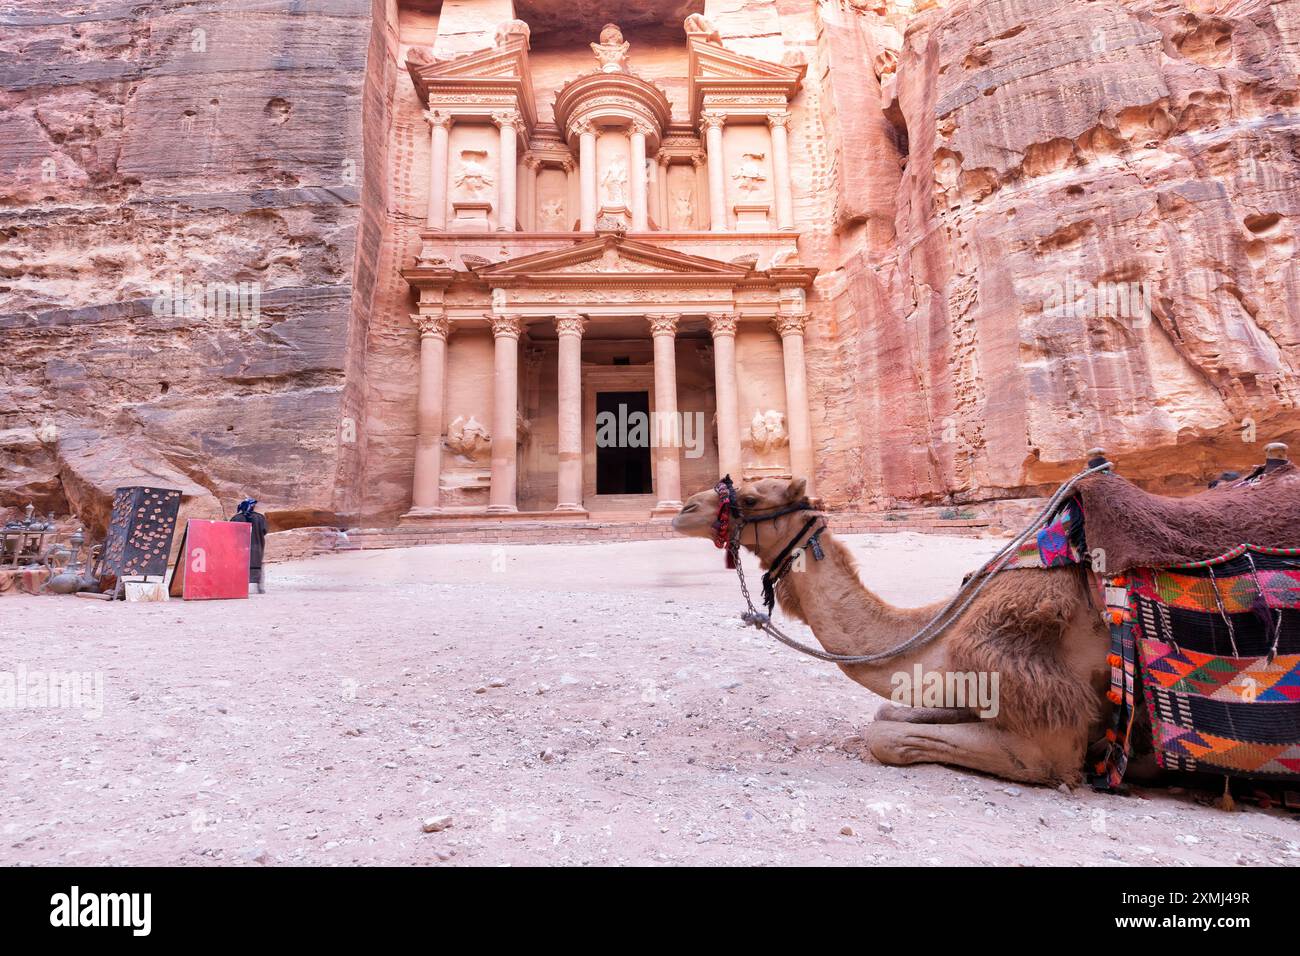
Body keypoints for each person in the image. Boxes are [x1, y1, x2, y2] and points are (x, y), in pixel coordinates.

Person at [230, 497, 268, 593]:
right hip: (257, 547)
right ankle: (260, 588)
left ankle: (239, 587)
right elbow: (264, 531)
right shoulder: (260, 517)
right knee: (257, 564)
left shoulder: (235, 518)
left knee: (240, 565)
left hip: (240, 548)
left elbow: (230, 533)